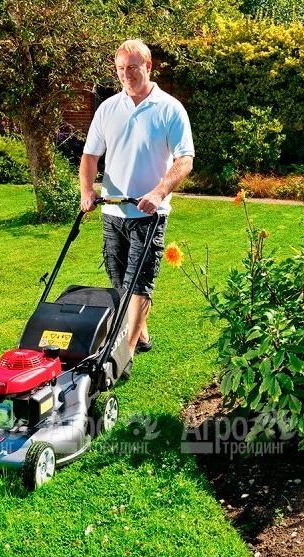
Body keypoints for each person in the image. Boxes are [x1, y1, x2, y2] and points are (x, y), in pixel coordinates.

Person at [79, 38, 194, 368]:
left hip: (150, 214)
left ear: (148, 66)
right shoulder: (108, 108)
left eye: (132, 67)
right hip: (112, 210)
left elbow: (185, 160)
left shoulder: (170, 108)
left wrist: (158, 193)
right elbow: (89, 156)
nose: (125, 74)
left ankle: (124, 354)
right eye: (120, 68)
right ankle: (141, 334)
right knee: (119, 281)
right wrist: (87, 191)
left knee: (139, 281)